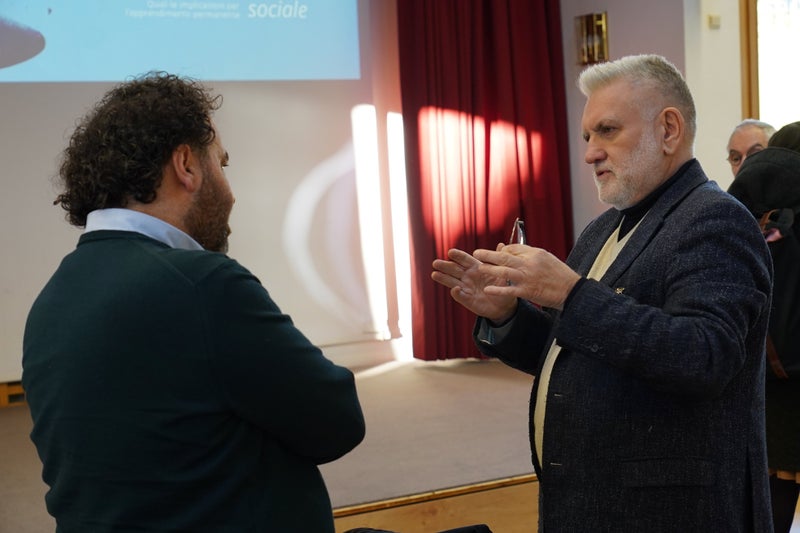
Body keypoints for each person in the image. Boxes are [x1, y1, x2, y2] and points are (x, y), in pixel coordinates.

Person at [431, 54, 774, 531]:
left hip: (669, 515)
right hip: (589, 503)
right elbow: (575, 353)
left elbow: (704, 357)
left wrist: (571, 294)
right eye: (588, 136)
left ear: (668, 130)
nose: (591, 153)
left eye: (608, 131)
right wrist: (507, 315)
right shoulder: (602, 229)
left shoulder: (715, 219)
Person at [22, 72, 366, 532]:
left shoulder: (52, 299)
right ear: (186, 164)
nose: (231, 192)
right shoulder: (203, 284)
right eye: (222, 163)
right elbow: (338, 423)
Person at [728, 123, 800, 533]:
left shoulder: (743, 217)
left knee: (769, 511)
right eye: (735, 157)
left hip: (767, 389)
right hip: (777, 389)